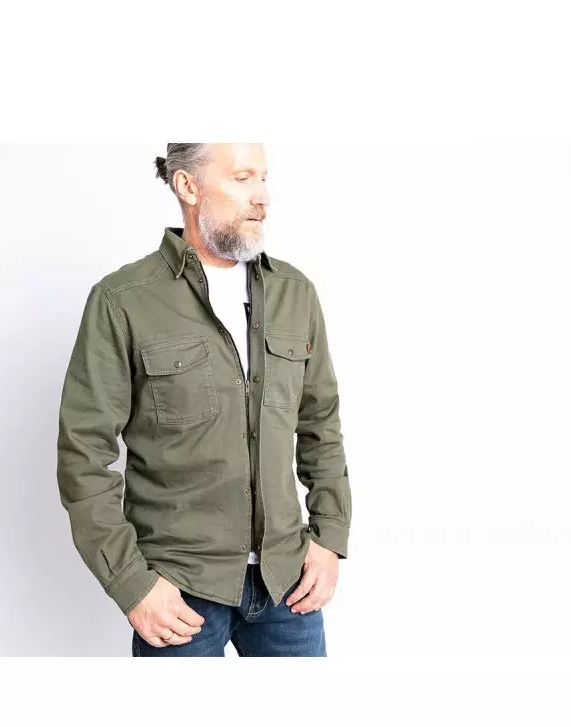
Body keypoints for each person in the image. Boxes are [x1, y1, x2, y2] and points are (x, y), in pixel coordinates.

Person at [56, 143, 351, 656]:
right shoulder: (123, 301)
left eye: (263, 178)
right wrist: (132, 583)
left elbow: (320, 424)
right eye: (242, 178)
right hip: (180, 590)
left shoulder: (295, 293)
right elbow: (83, 454)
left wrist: (330, 539)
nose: (262, 197)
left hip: (288, 584)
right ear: (188, 186)